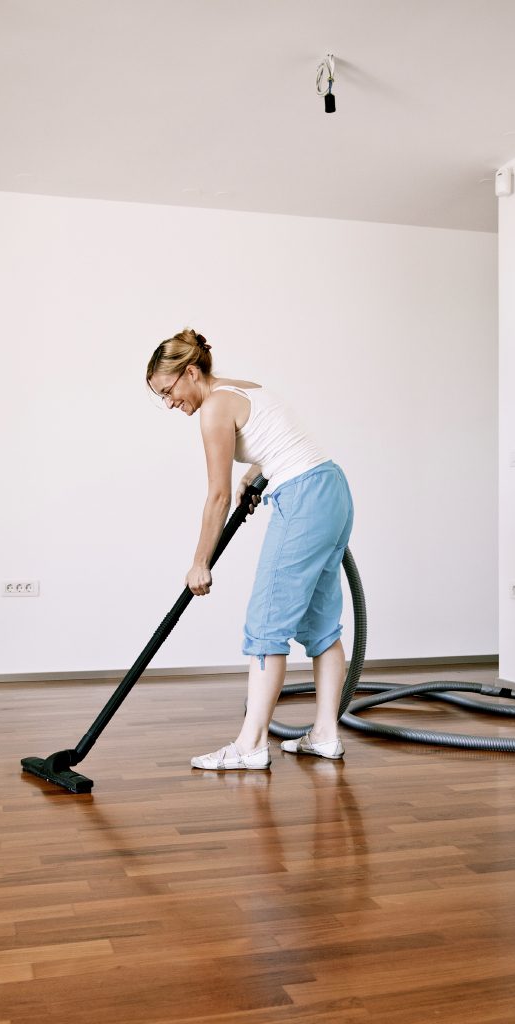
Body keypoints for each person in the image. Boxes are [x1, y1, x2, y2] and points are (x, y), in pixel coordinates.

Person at [145, 328, 354, 771]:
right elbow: (279, 439)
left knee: (267, 622)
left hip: (301, 498)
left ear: (190, 372)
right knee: (320, 623)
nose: (168, 403)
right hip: (331, 489)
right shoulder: (243, 388)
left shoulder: (214, 408)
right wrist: (253, 475)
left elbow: (216, 496)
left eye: (168, 391)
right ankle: (326, 735)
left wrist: (200, 561)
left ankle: (250, 745)